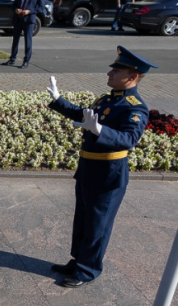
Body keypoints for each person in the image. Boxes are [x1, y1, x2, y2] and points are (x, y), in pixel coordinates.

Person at [46, 46, 157, 288]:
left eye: (117, 71)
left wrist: (100, 131)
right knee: (83, 220)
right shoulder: (107, 99)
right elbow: (84, 114)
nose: (110, 74)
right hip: (88, 168)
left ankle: (88, 270)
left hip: (108, 175)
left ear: (132, 76)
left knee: (98, 224)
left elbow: (129, 139)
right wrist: (59, 100)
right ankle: (78, 261)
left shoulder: (135, 107)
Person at [2, 0, 45, 69]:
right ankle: (12, 59)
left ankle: (26, 61)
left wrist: (29, 11)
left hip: (29, 20)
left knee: (28, 41)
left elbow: (41, 7)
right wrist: (16, 9)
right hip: (18, 19)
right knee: (15, 40)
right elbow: (14, 5)